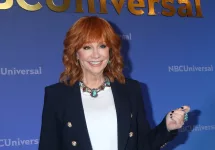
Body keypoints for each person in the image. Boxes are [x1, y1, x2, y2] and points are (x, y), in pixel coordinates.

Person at [38, 16, 190, 150]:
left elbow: (143, 144)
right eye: (87, 47)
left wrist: (167, 127)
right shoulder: (57, 95)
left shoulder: (131, 89)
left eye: (102, 46)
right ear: (76, 53)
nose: (96, 55)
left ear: (110, 51)